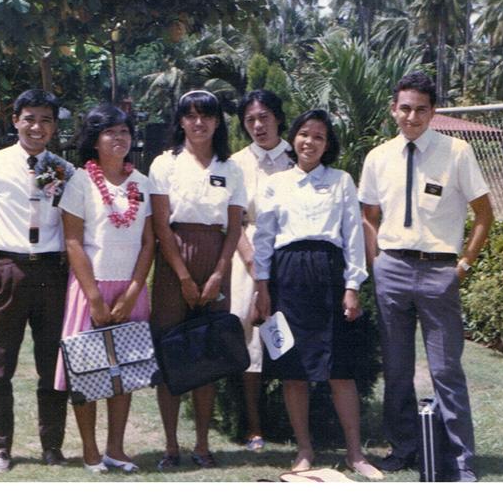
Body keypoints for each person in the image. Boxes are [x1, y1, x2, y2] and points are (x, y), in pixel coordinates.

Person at [358, 71, 494, 482]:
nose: (412, 117)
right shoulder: (378, 157)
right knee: (397, 369)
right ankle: (403, 448)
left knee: (446, 369)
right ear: (393, 109)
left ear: (433, 112)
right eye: (405, 108)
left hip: (439, 271)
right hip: (393, 269)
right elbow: (368, 215)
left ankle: (461, 459)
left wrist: (464, 264)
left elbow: (484, 214)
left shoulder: (457, 152)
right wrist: (377, 261)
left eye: (420, 109)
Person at [253, 109, 382, 480]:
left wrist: (352, 286)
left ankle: (355, 453)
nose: (309, 142)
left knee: (339, 370)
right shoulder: (276, 183)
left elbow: (353, 236)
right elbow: (264, 238)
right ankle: (304, 450)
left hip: (329, 275)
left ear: (328, 145)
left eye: (319, 137)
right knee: (293, 371)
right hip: (287, 277)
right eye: (304, 134)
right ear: (294, 138)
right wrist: (262, 286)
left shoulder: (341, 181)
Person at [0, 89, 74, 473]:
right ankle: (0, 449)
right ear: (16, 121)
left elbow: (72, 223)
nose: (37, 127)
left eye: (46, 120)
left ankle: (52, 446)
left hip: (52, 272)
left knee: (53, 364)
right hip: (9, 269)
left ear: (54, 126)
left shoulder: (61, 169)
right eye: (30, 119)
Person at [52, 104, 154, 473]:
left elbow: (149, 242)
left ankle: (116, 448)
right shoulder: (80, 181)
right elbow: (73, 241)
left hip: (130, 290)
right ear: (95, 140)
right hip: (90, 288)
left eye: (124, 131)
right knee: (88, 371)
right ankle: (91, 451)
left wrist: (134, 290)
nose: (119, 138)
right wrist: (94, 297)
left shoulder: (142, 182)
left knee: (123, 372)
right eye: (110, 132)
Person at [148, 89, 245, 470]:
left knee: (208, 355)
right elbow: (160, 224)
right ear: (181, 121)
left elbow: (234, 228)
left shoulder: (231, 168)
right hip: (174, 259)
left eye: (206, 116)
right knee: (170, 352)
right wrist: (184, 277)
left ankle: (202, 445)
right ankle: (171, 446)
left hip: (215, 256)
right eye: (190, 115)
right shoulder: (165, 163)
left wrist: (219, 273)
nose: (198, 123)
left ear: (218, 122)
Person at [229, 89, 294, 452]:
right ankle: (253, 426)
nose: (258, 126)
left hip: (290, 252)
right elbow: (233, 221)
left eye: (264, 117)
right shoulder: (235, 163)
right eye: (250, 120)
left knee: (290, 334)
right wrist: (253, 262)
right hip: (246, 257)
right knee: (250, 337)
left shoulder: (297, 156)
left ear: (278, 118)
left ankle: (295, 421)